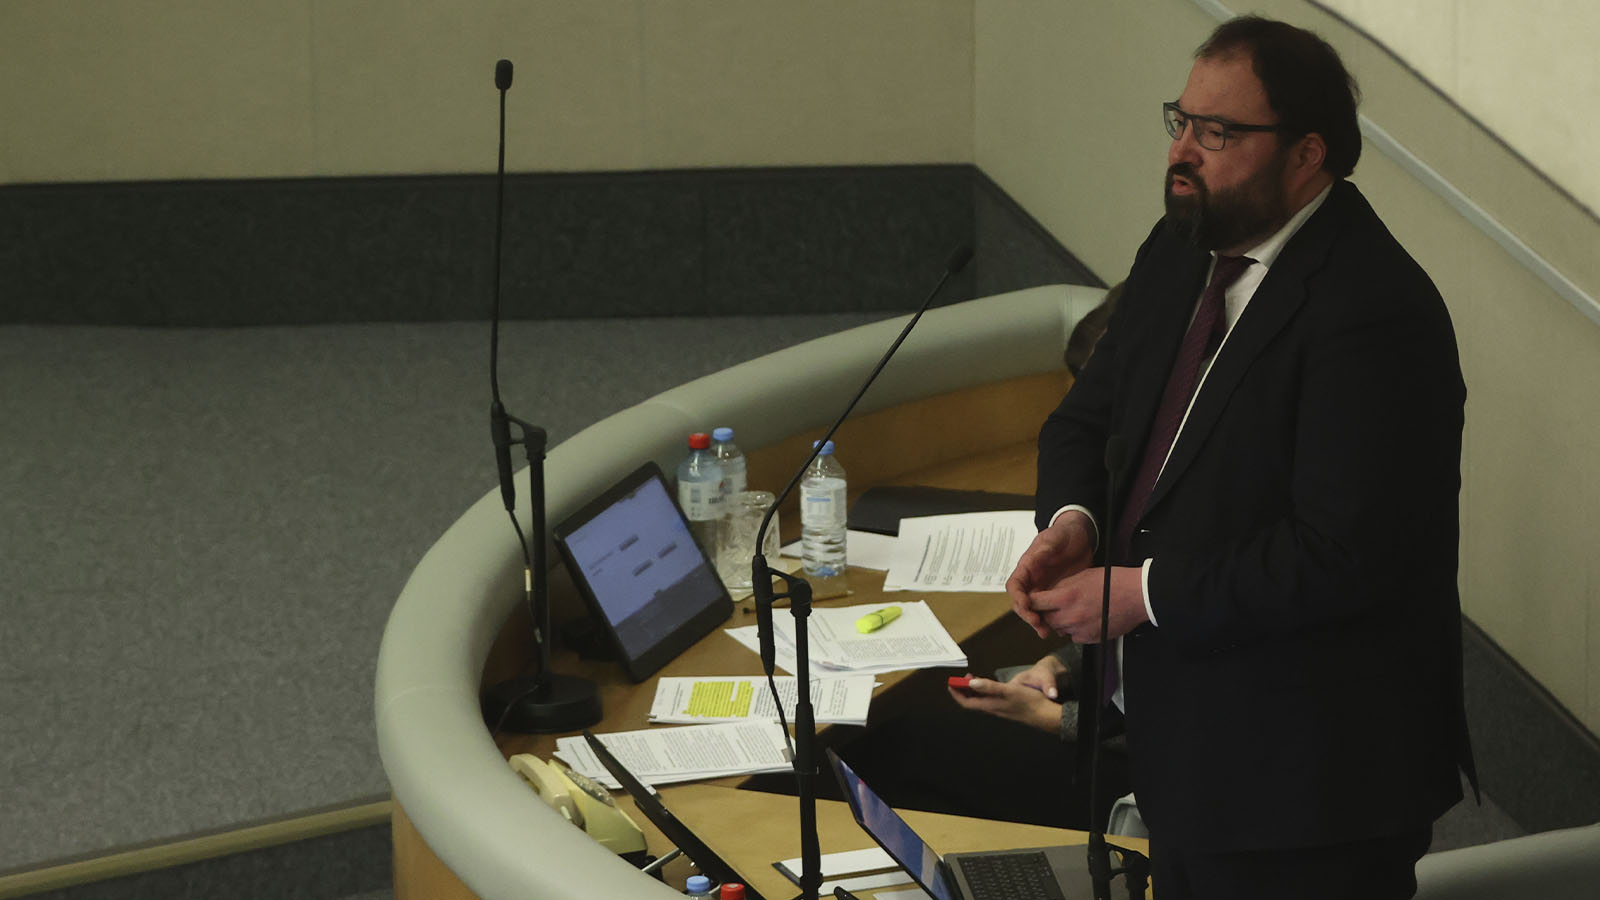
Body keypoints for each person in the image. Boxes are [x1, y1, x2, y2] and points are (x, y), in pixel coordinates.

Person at [1006, 16, 1477, 900]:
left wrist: (1143, 593)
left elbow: (1341, 555)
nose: (1182, 152)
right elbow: (1085, 422)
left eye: (1217, 132)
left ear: (1307, 154)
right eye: (1180, 121)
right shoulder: (1180, 251)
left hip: (1310, 782)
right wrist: (1076, 522)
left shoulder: (1376, 312)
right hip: (1187, 740)